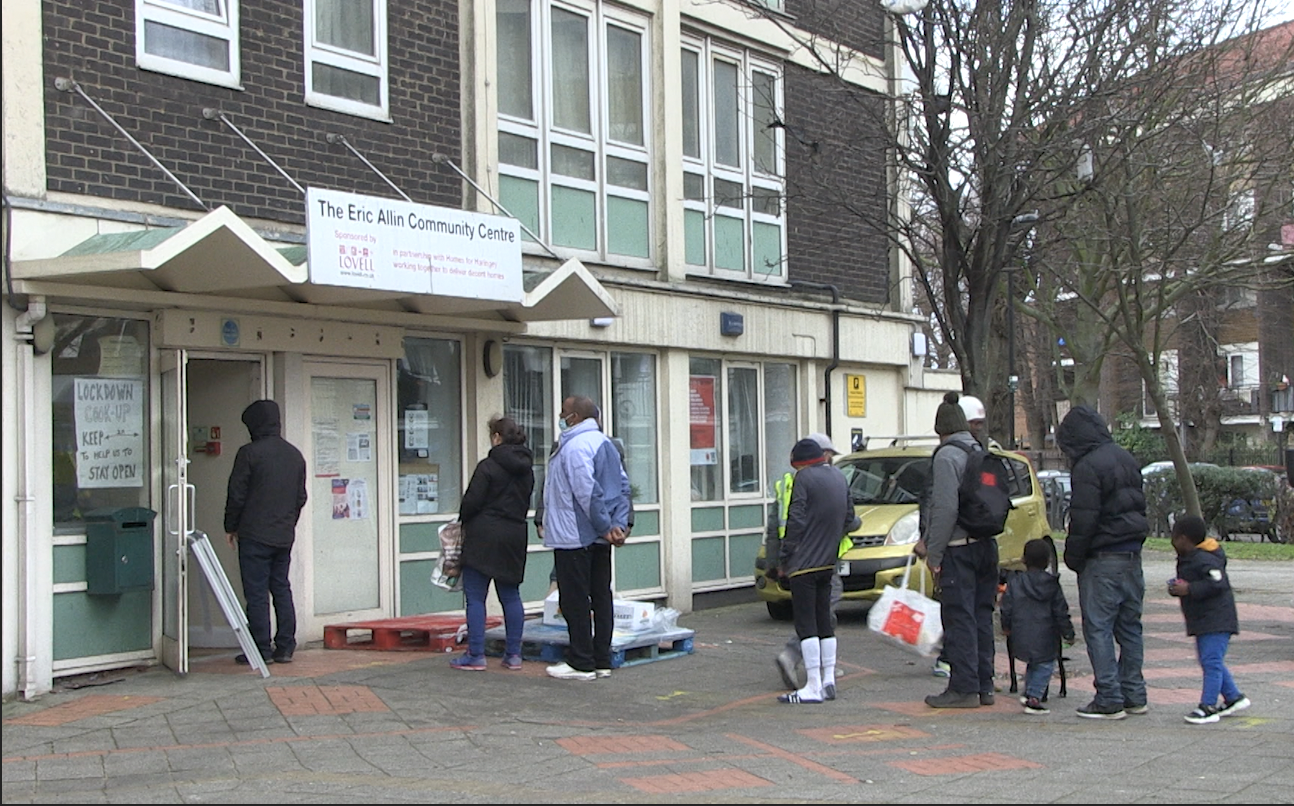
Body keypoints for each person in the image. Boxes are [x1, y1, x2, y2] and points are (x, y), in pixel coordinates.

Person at [1057, 405, 1149, 720]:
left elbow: (1084, 520)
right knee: (1130, 628)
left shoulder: (1086, 467)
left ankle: (1109, 696)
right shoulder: (1125, 457)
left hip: (1102, 557)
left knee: (1099, 628)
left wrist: (1073, 558)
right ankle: (1134, 693)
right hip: (1131, 555)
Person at [914, 392, 998, 709]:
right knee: (981, 616)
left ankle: (963, 688)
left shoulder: (947, 456)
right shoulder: (979, 450)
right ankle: (984, 686)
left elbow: (945, 509)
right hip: (986, 545)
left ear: (940, 430)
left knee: (959, 618)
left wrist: (934, 555)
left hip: (959, 550)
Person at [542, 396, 632, 681]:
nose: (560, 415)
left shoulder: (576, 446)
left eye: (564, 412)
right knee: (601, 596)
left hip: (574, 536)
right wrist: (618, 526)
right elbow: (622, 487)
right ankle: (602, 660)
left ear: (575, 417)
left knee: (575, 599)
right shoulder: (605, 443)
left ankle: (581, 661)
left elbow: (586, 492)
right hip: (599, 538)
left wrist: (605, 526)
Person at [776, 438, 860, 704]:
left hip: (804, 564)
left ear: (800, 463)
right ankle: (828, 680)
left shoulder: (804, 479)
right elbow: (850, 519)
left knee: (806, 623)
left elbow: (796, 519)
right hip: (828, 563)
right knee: (825, 621)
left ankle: (811, 685)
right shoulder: (838, 477)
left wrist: (785, 557)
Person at [224, 400, 307, 665]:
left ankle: (260, 648)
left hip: (254, 534)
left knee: (257, 592)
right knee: (281, 587)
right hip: (283, 534)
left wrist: (230, 526)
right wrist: (287, 522)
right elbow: (300, 498)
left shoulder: (249, 453)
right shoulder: (295, 455)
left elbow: (236, 495)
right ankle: (285, 646)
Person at [450, 416, 535, 672]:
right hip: (514, 534)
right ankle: (514, 655)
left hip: (483, 535)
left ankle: (475, 654)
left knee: (476, 597)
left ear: (497, 437)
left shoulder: (488, 466)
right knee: (511, 595)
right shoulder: (527, 469)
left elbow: (471, 502)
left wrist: (462, 521)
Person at [1168, 515, 1250, 725]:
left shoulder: (1205, 558)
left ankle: (1208, 705)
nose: (1172, 542)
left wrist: (1190, 589)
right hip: (1203, 618)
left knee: (1211, 661)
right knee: (1210, 660)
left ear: (1184, 539)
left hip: (1217, 619)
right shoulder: (1190, 558)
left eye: (1174, 538)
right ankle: (1233, 696)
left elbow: (1218, 582)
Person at [1000, 538, 1076, 714]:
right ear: (1048, 561)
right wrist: (1068, 633)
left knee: (1033, 663)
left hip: (1020, 631)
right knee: (1045, 664)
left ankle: (1028, 692)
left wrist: (1006, 626)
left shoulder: (1015, 582)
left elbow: (1007, 607)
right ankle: (1034, 697)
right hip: (1046, 634)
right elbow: (1060, 611)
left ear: (1024, 560)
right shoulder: (1052, 584)